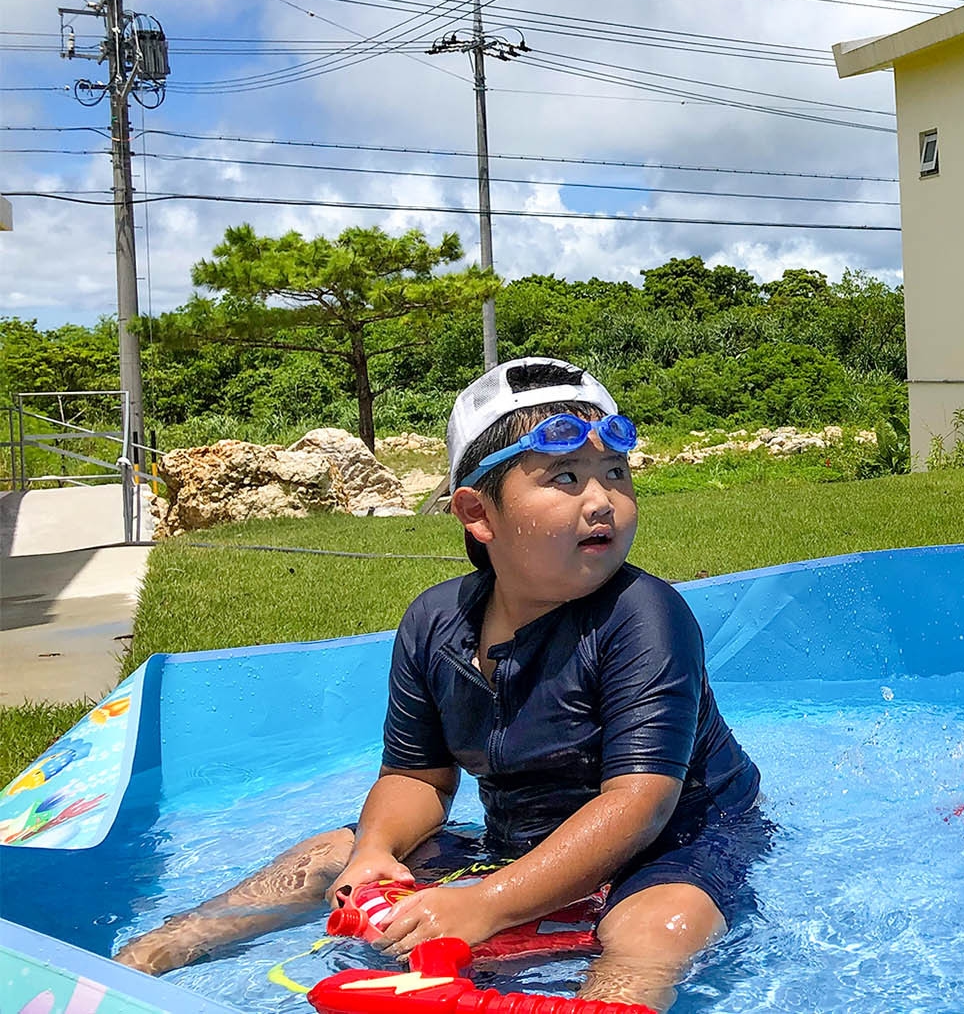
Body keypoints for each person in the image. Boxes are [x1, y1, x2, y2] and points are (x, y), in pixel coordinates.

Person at [115, 357, 767, 1010]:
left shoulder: (644, 614)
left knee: (654, 928)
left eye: (616, 474)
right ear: (477, 513)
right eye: (566, 476)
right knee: (327, 854)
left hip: (676, 836)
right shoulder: (435, 623)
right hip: (523, 840)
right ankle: (140, 962)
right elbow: (417, 779)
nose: (602, 499)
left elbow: (640, 800)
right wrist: (376, 849)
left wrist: (486, 903)